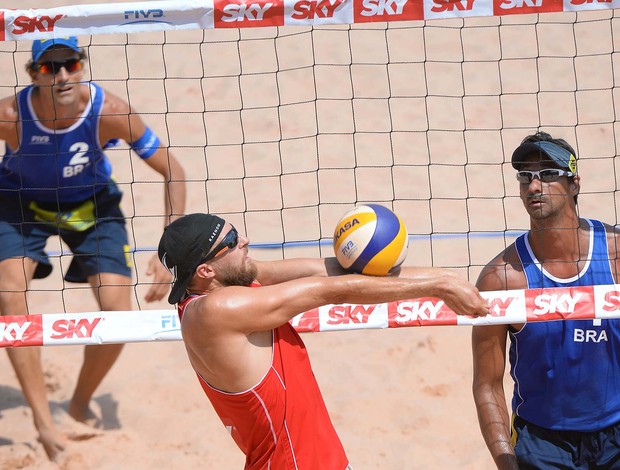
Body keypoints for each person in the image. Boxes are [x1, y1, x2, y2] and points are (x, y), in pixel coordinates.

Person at [158, 212, 490, 469]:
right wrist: (439, 288)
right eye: (231, 240)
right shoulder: (217, 310)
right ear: (205, 271)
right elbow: (329, 290)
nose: (244, 239)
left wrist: (446, 277)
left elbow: (331, 272)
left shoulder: (230, 284)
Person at [0, 37, 186, 461]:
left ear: (81, 66)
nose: (62, 75)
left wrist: (169, 249)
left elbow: (173, 170)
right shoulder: (11, 115)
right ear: (33, 75)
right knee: (10, 299)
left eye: (70, 64)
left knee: (119, 314)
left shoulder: (109, 111)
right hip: (20, 204)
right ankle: (44, 423)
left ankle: (80, 403)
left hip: (91, 206)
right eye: (49, 68)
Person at [472, 131, 620, 469]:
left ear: (574, 184)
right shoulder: (503, 278)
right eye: (526, 177)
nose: (534, 186)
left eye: (548, 175)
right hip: (542, 444)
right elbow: (486, 385)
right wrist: (505, 462)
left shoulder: (615, 255)